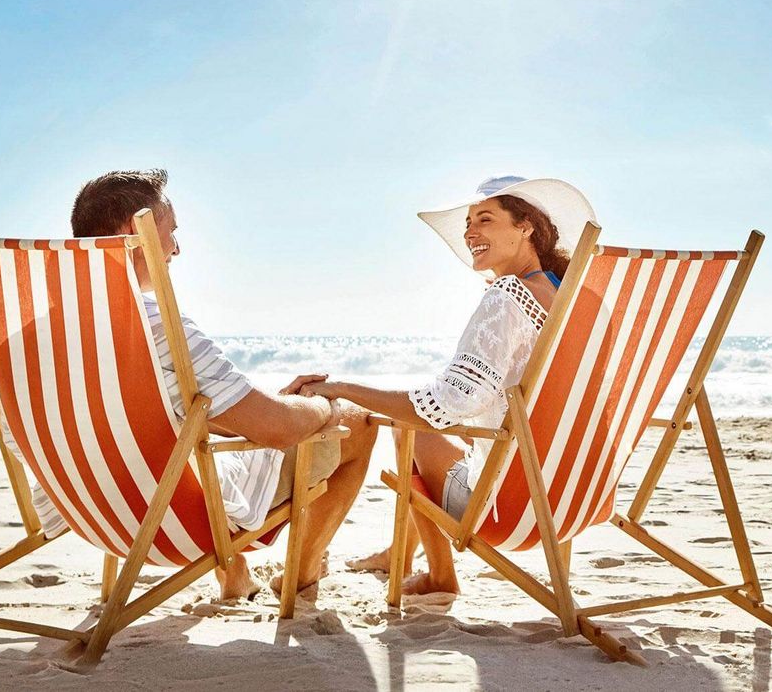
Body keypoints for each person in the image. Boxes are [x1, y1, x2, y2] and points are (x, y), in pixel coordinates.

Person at [67, 169, 378, 601]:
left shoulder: (38, 338)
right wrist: (322, 405)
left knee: (206, 431)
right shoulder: (158, 329)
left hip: (94, 512)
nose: (177, 247)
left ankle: (235, 571)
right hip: (170, 519)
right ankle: (301, 578)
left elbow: (163, 421)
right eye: (170, 232)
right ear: (131, 233)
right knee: (358, 424)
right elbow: (279, 431)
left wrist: (267, 406)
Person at [283, 175, 595, 596]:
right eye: (469, 222)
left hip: (514, 506)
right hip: (574, 494)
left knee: (408, 429)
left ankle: (439, 576)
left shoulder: (508, 296)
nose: (470, 232)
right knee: (432, 434)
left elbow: (443, 404)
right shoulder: (575, 302)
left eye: (484, 219)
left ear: (526, 227)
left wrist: (339, 388)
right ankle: (398, 550)